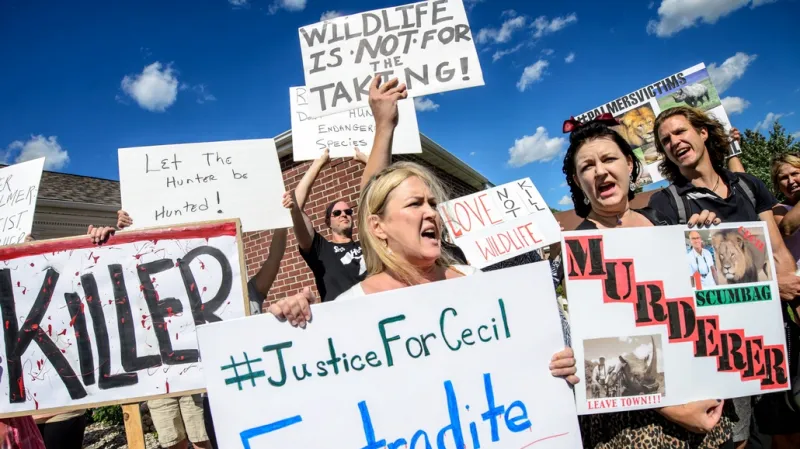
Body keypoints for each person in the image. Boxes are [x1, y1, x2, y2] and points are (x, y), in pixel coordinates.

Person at [267, 159, 580, 384]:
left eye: (432, 203)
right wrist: (293, 324)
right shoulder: (350, 306)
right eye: (415, 204)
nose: (431, 212)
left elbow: (521, 361)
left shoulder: (475, 281)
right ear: (378, 226)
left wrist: (555, 365)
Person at [561, 114, 733, 448]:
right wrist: (677, 411)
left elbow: (702, 307)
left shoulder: (666, 221)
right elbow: (604, 353)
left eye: (609, 159)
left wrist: (708, 242)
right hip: (639, 422)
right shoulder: (579, 249)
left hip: (702, 396)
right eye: (587, 167)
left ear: (629, 164)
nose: (599, 171)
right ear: (577, 181)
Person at [647, 106, 800, 448]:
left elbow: (777, 251)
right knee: (738, 440)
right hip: (724, 348)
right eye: (665, 140)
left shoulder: (748, 186)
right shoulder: (668, 203)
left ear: (703, 132)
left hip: (775, 336)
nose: (674, 142)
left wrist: (789, 287)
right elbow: (679, 285)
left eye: (680, 132)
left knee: (787, 430)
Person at [750, 154, 800, 449]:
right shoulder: (780, 211)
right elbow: (790, 227)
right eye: (784, 177)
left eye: (796, 173)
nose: (791, 180)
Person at [285, 148, 369, 303]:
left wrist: (368, 161)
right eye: (337, 213)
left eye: (348, 211)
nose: (344, 214)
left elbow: (385, 198)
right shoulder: (321, 250)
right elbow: (296, 205)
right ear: (328, 222)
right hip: (340, 321)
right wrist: (318, 163)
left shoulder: (368, 246)